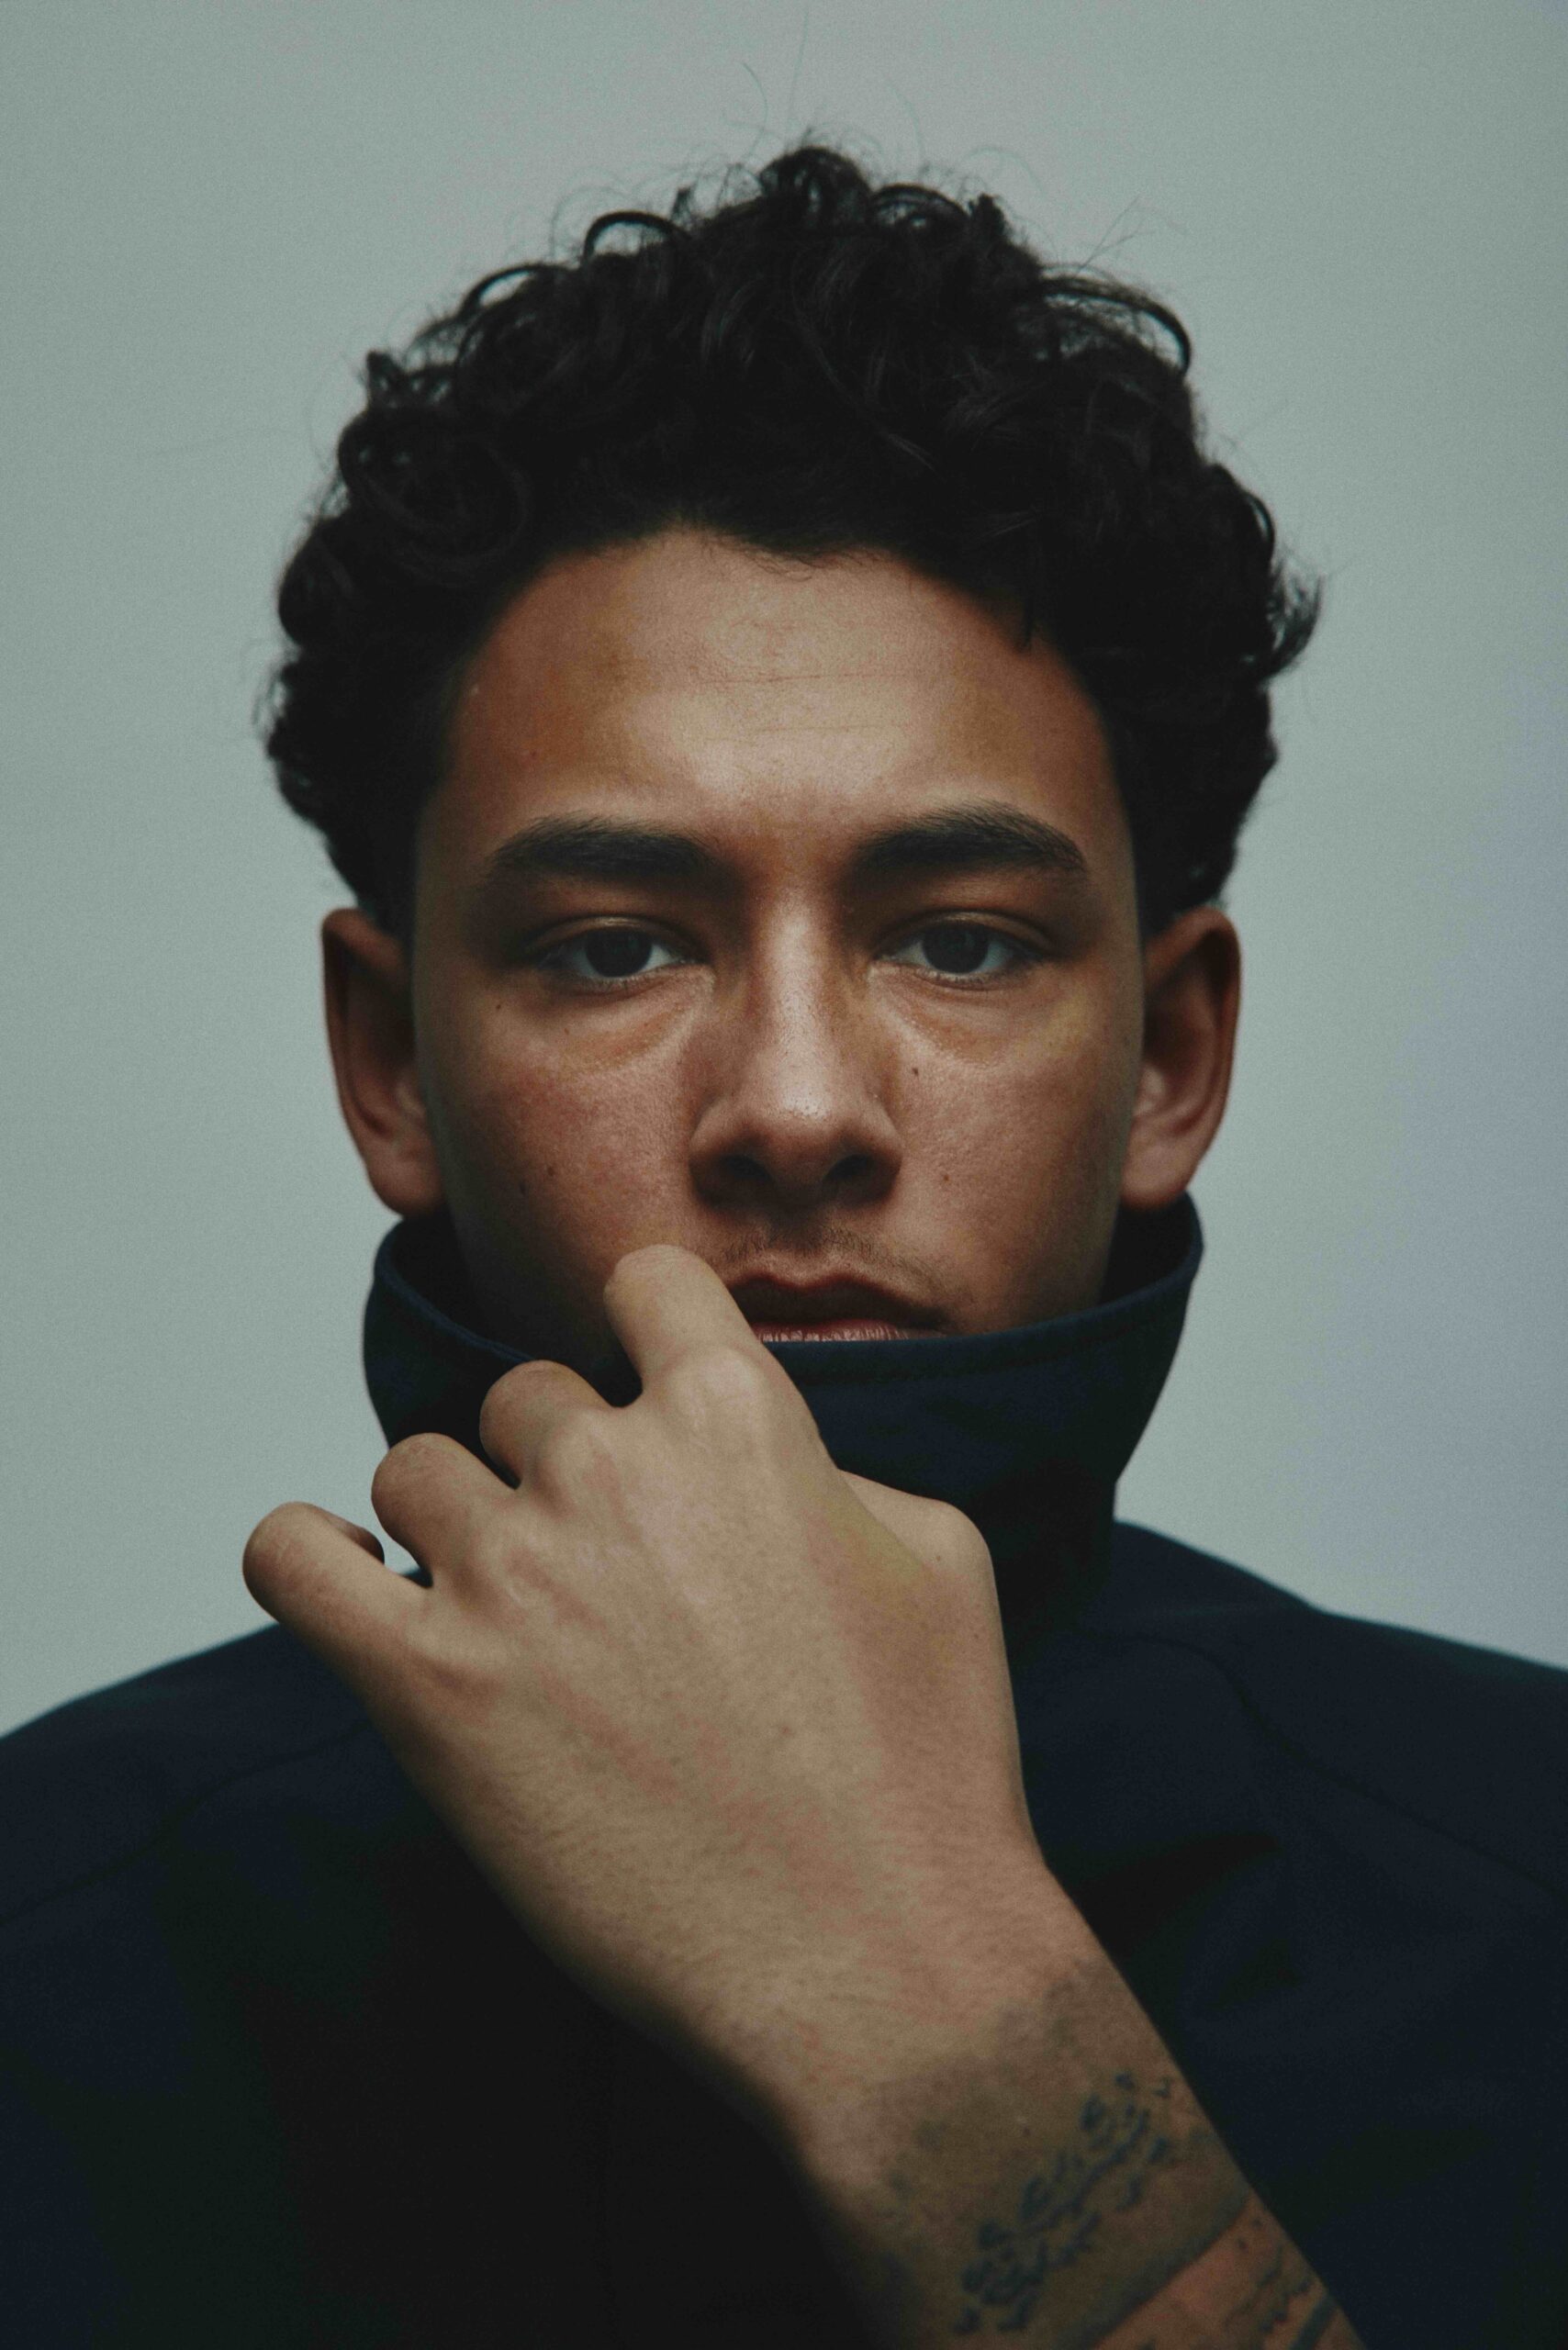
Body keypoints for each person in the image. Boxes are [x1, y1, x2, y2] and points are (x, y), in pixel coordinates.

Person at [1, 145, 1562, 2350]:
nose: (798, 1109)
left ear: (1167, 1055)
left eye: (958, 938)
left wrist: (909, 1990)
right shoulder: (43, 1944)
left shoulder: (1525, 1889)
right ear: (384, 1058)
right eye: (614, 943)